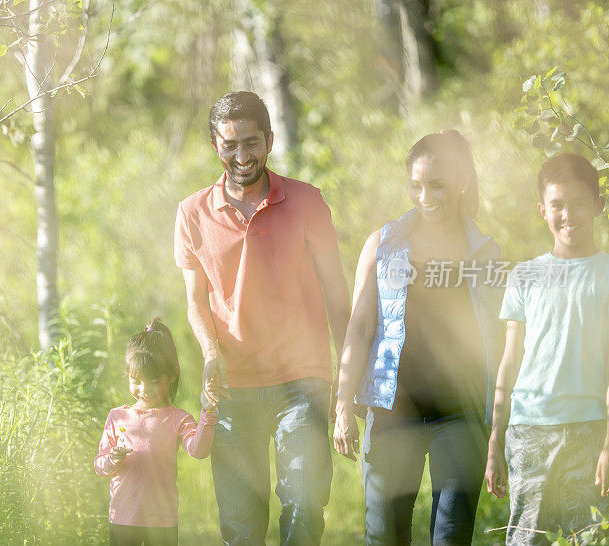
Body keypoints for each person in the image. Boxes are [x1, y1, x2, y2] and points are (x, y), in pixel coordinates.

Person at [174, 91, 351, 545]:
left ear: (269, 140)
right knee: (240, 525)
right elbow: (195, 302)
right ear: (215, 145)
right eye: (229, 144)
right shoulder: (192, 213)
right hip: (232, 387)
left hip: (302, 380)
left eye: (251, 142)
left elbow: (336, 292)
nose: (241, 155)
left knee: (304, 502)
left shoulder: (307, 201)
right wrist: (210, 354)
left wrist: (350, 379)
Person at [333, 130, 503, 544]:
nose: (424, 197)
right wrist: (342, 402)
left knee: (450, 535)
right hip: (393, 412)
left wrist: (501, 421)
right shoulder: (384, 245)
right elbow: (359, 327)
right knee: (384, 534)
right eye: (416, 186)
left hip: (460, 415)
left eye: (436, 185)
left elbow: (500, 341)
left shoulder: (485, 253)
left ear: (462, 181)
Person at [485, 153, 609, 545]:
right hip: (528, 430)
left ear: (599, 204)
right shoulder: (526, 274)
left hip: (589, 428)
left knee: (588, 537)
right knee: (526, 538)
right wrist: (495, 439)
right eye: (557, 205)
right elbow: (510, 360)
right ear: (542, 210)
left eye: (578, 203)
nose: (567, 214)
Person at [94, 319, 218, 546]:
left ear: (172, 375)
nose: (144, 390)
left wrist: (208, 412)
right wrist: (112, 459)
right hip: (123, 518)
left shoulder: (178, 419)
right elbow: (99, 465)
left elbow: (199, 451)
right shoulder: (117, 416)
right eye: (136, 381)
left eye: (153, 381)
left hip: (162, 522)